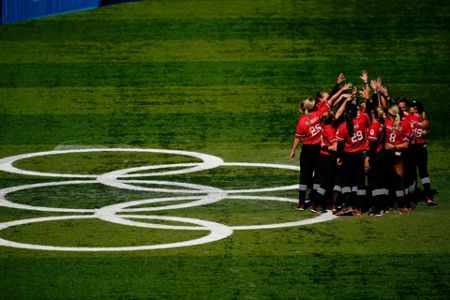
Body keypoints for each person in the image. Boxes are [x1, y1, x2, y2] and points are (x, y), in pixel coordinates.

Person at [407, 101, 438, 206]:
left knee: (412, 173)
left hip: (412, 149)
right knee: (424, 173)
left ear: (415, 109)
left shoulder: (409, 117)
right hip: (422, 148)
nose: (409, 107)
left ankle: (412, 198)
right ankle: (428, 196)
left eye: (411, 106)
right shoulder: (425, 121)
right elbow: (426, 133)